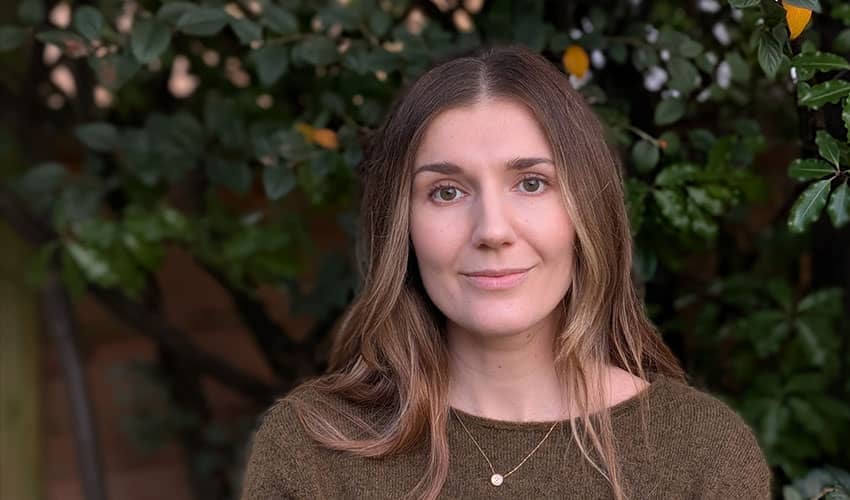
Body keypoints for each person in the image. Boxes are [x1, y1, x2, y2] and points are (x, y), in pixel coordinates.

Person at [239, 44, 772, 500]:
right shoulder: (313, 451)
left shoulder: (702, 457)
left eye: (532, 183)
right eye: (447, 192)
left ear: (588, 209)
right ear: (401, 225)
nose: (492, 230)